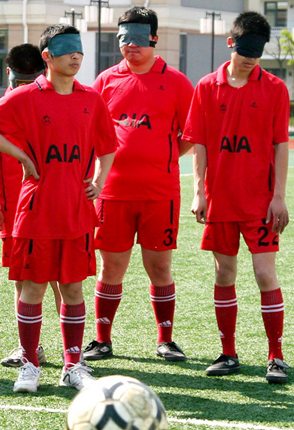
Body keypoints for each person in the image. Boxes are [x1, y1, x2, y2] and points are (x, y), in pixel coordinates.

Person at [0, 24, 117, 393]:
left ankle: (72, 364)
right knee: (32, 289)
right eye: (67, 50)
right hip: (35, 211)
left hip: (76, 211)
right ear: (47, 56)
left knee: (72, 289)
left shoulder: (91, 98)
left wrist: (99, 182)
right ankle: (30, 363)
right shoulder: (26, 96)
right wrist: (20, 154)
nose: (76, 56)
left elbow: (108, 146)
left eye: (79, 50)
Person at [182, 12, 291, 384]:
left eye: (257, 53)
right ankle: (228, 352)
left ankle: (275, 356)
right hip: (220, 201)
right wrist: (198, 192)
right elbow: (200, 144)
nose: (250, 58)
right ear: (232, 44)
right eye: (245, 50)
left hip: (260, 201)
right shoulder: (207, 87)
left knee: (264, 275)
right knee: (224, 273)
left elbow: (280, 146)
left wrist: (279, 197)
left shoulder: (275, 88)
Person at [84, 7, 195, 363]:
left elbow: (190, 135)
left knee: (159, 267)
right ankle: (102, 340)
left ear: (153, 38)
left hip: (160, 193)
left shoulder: (176, 82)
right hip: (112, 193)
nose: (129, 47)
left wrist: (163, 157)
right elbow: (95, 134)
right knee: (110, 268)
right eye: (122, 40)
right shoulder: (105, 81)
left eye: (136, 39)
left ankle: (165, 340)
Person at [0, 43, 64, 368]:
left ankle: (71, 352)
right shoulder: (0, 109)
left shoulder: (58, 104)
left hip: (58, 208)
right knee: (24, 280)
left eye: (29, 80)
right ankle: (30, 348)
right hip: (18, 216)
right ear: (9, 76)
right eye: (18, 81)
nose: (23, 88)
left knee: (63, 280)